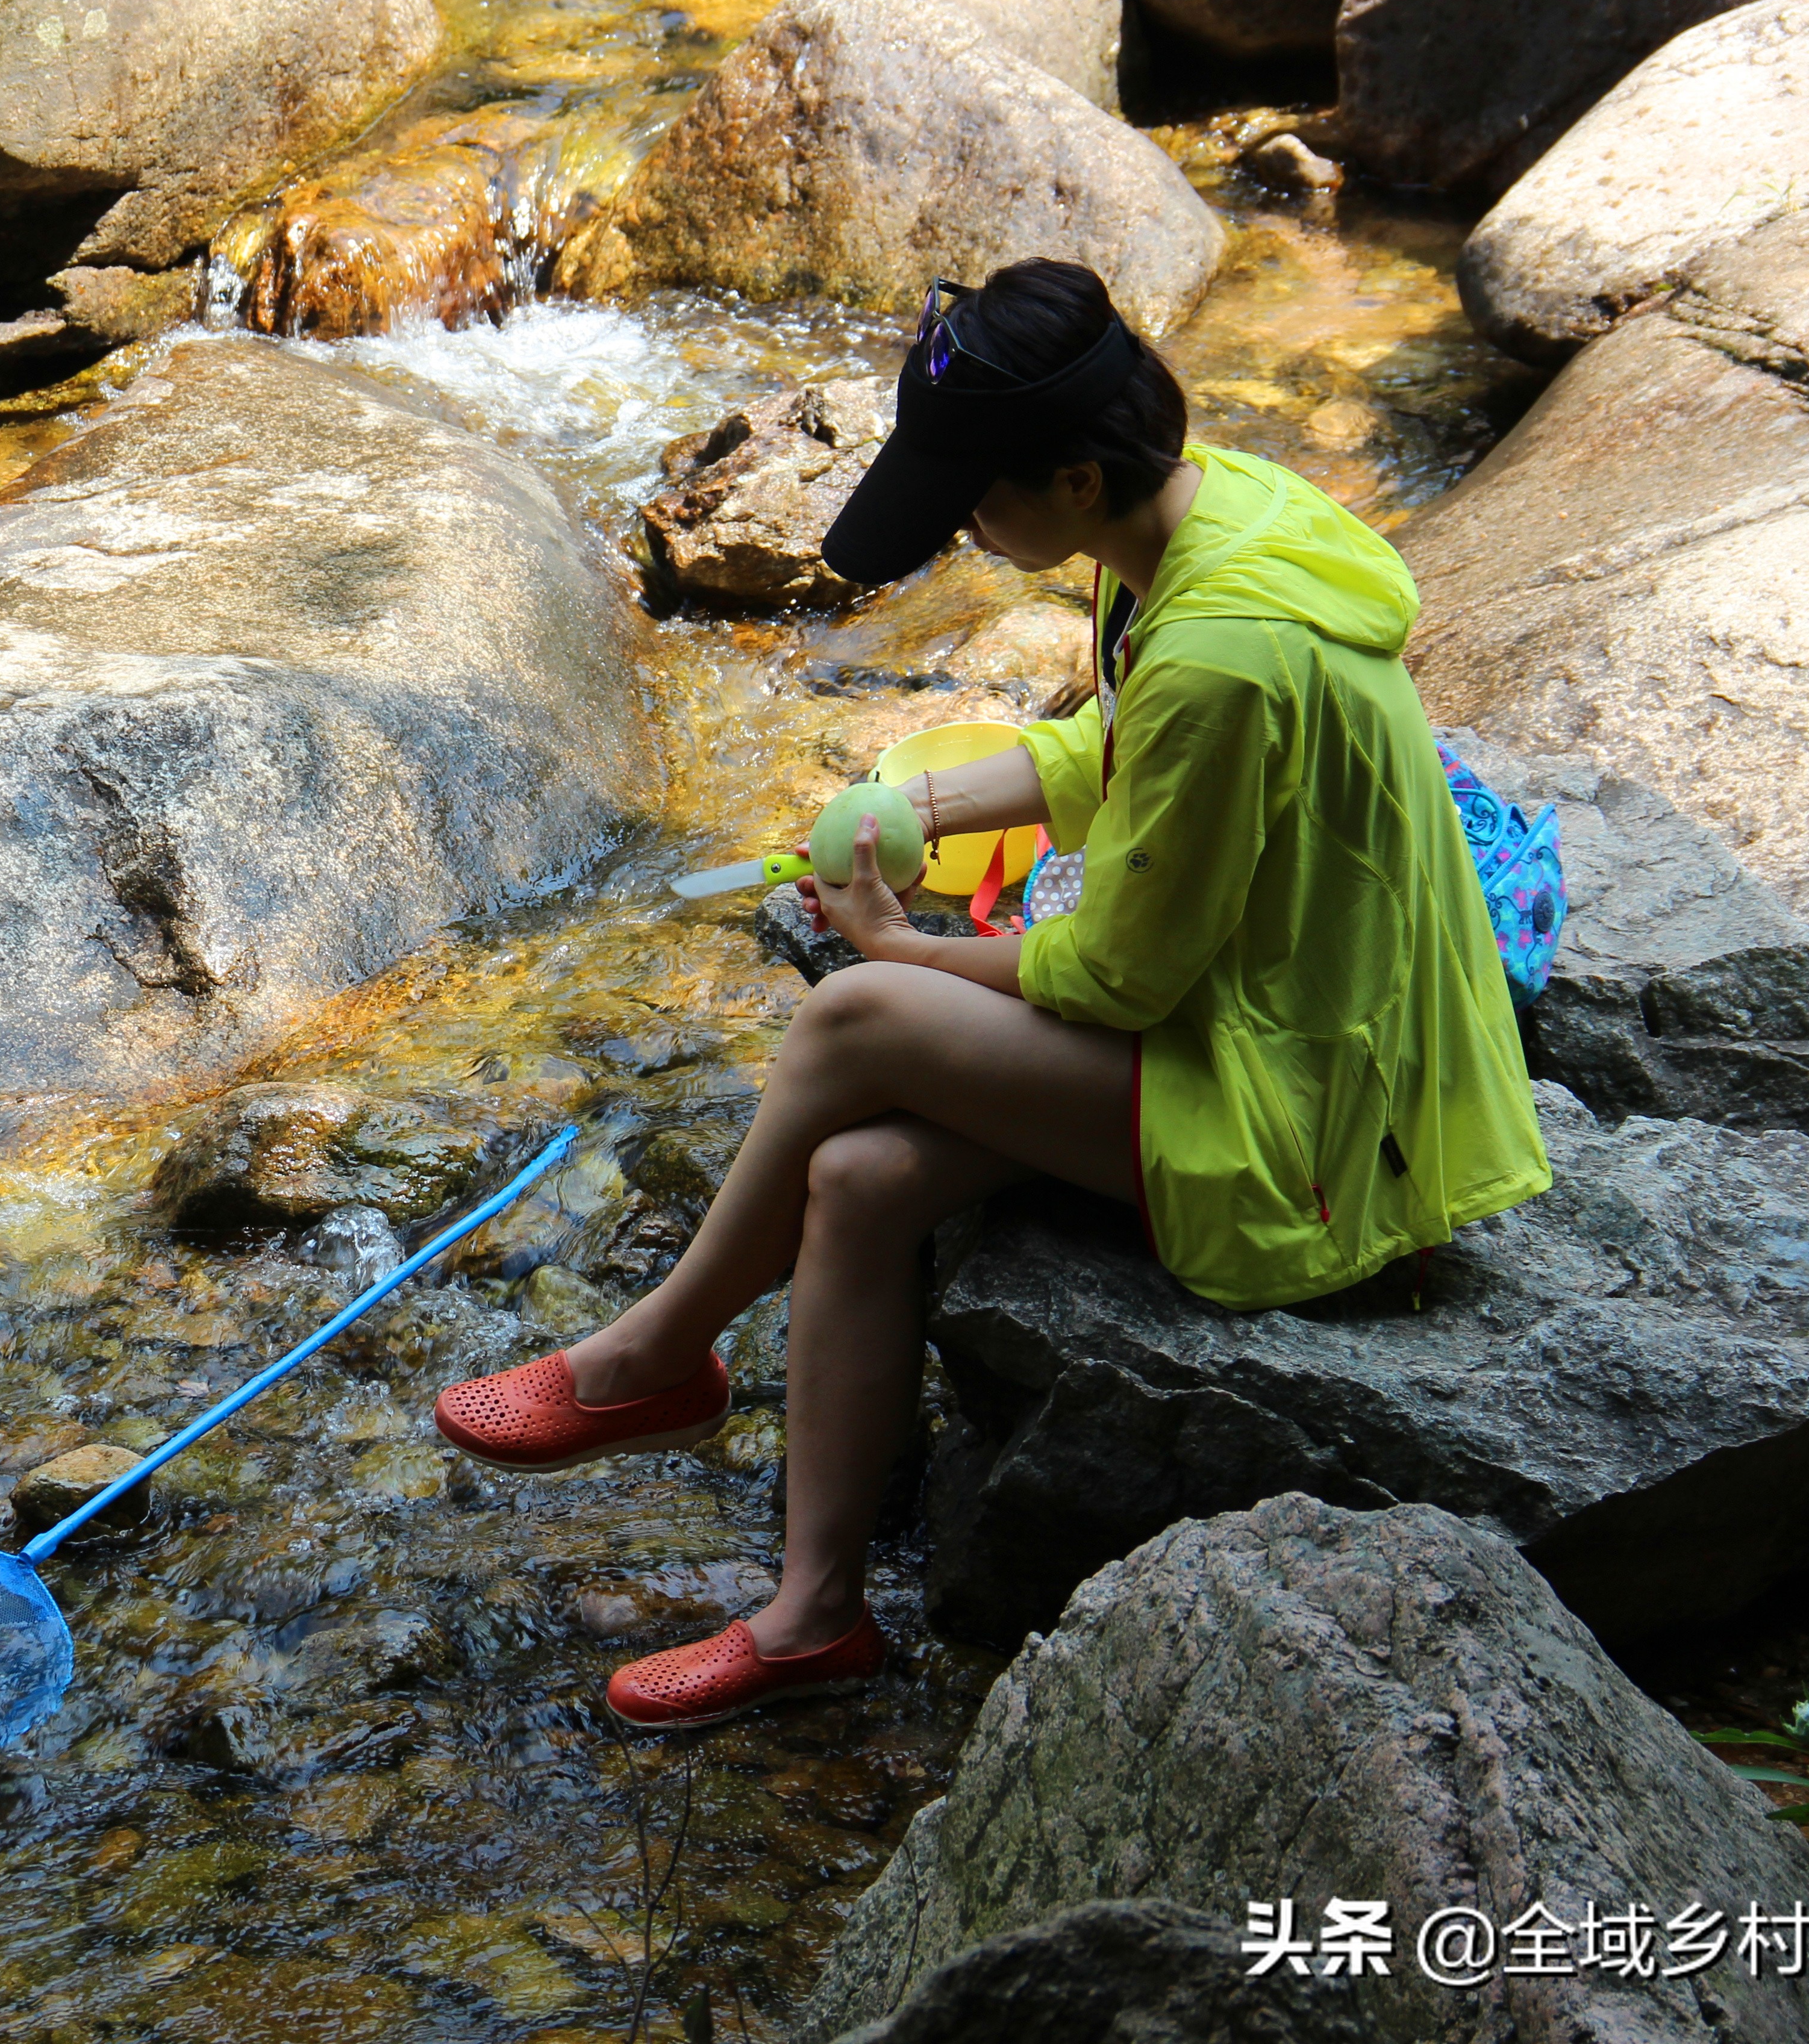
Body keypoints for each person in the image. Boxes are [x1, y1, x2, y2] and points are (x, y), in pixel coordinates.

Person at [432, 258, 1551, 1729]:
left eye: (976, 495)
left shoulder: (1222, 650)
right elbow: (1110, 759)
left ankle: (654, 1355)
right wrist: (924, 802)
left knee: (849, 1019)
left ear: (1077, 475)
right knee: (857, 1176)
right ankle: (811, 1614)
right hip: (1276, 1033)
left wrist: (892, 948)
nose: (964, 523)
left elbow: (1117, 970)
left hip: (1321, 1128)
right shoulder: (1208, 515)